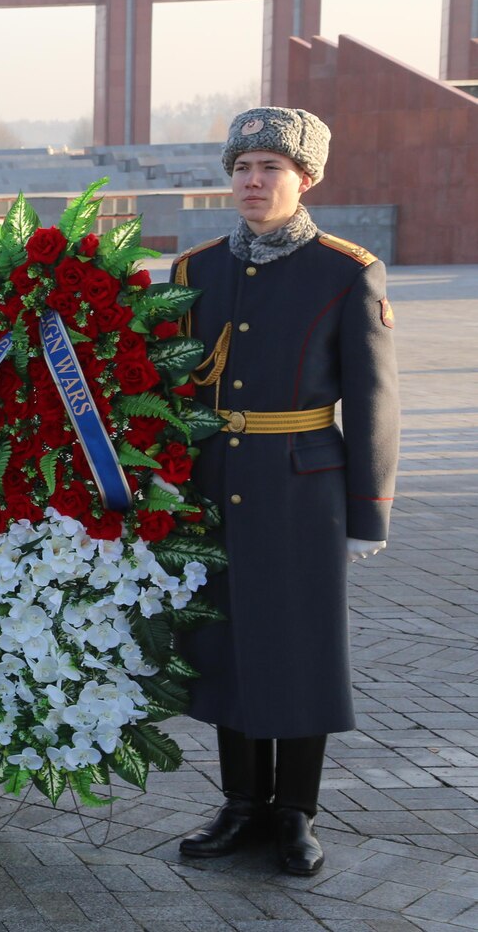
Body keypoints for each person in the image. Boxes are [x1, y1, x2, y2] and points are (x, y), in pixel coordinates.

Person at [173, 108, 399, 877]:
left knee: (300, 648)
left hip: (305, 487)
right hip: (217, 482)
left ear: (307, 179)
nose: (253, 180)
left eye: (271, 167)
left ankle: (296, 811)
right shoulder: (197, 270)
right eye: (242, 166)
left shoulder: (344, 269)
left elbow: (374, 398)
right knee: (229, 642)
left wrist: (369, 510)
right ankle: (241, 804)